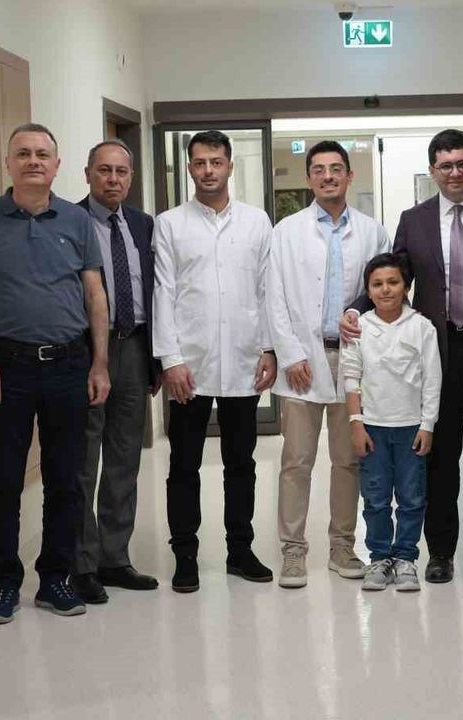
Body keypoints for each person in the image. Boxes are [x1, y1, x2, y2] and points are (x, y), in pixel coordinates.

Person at [341, 129, 463, 584]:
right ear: (433, 170)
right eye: (446, 165)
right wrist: (356, 308)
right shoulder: (414, 221)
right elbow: (392, 277)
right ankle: (441, 552)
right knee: (438, 458)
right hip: (436, 355)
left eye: (462, 163)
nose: (455, 172)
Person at [0, 123, 110, 624]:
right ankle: (4, 584)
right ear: (8, 163)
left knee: (66, 481)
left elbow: (95, 295)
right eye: (23, 153)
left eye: (43, 154)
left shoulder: (77, 221)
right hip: (8, 368)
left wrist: (100, 363)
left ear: (57, 166)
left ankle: (55, 580)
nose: (33, 161)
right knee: (5, 481)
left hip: (69, 365)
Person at [152, 130, 277, 592]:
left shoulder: (256, 222)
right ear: (189, 167)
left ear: (229, 166)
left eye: (216, 162)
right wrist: (170, 359)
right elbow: (163, 292)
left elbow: (267, 289)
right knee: (183, 465)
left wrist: (269, 348)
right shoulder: (170, 224)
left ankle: (240, 550)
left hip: (243, 362)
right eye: (200, 162)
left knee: (240, 464)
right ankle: (185, 554)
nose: (208, 170)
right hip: (190, 366)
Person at [266, 140, 390, 588]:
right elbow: (274, 295)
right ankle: (293, 551)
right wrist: (290, 353)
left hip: (352, 359)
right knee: (296, 461)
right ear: (309, 178)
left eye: (336, 168)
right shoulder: (287, 231)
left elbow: (384, 291)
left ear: (349, 176)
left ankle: (342, 545)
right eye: (318, 170)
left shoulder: (373, 232)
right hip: (302, 359)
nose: (327, 176)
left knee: (348, 460)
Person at [70, 139, 160, 604]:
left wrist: (155, 359)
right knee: (83, 462)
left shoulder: (143, 224)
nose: (113, 179)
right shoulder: (68, 221)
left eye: (121, 172)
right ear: (87, 174)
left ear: (131, 178)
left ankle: (114, 558)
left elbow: (156, 290)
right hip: (88, 352)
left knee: (125, 460)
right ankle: (82, 564)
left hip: (136, 347)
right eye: (103, 170)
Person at [342, 253, 442, 592]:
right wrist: (356, 423)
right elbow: (351, 378)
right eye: (377, 284)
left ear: (406, 287)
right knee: (375, 497)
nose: (385, 289)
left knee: (412, 497)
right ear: (368, 291)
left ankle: (405, 558)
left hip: (411, 427)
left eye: (393, 282)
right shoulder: (359, 328)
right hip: (372, 428)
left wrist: (427, 425)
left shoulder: (421, 327)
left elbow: (432, 380)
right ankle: (379, 558)